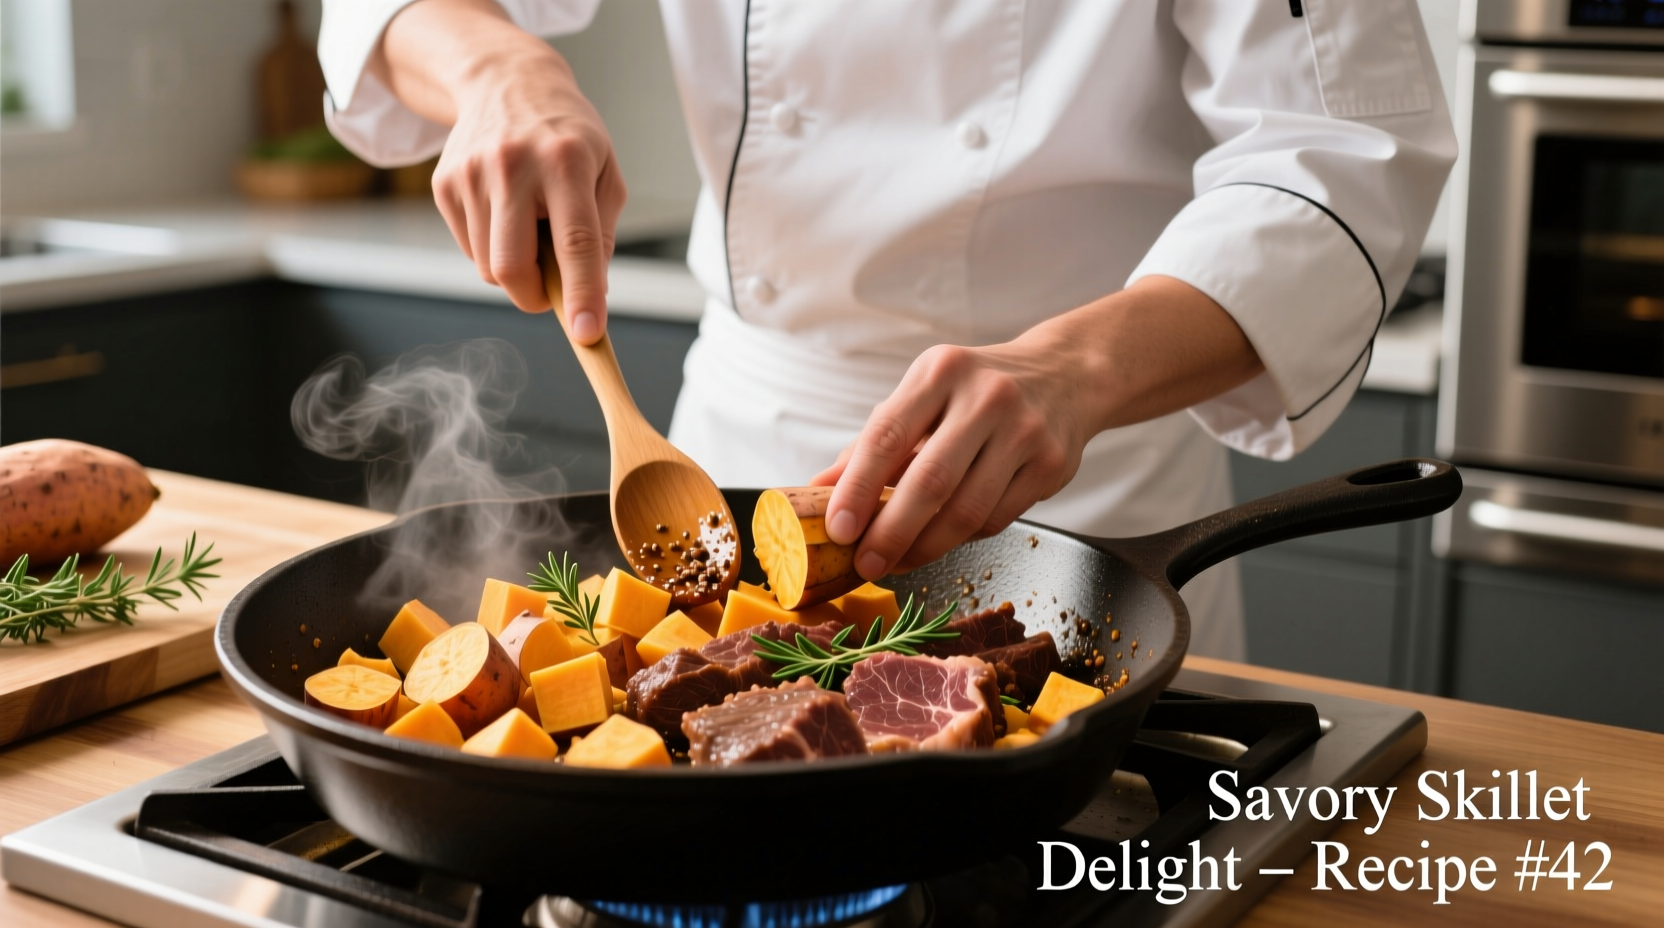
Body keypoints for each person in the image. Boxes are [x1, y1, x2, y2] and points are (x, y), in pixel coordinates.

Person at [318, 0, 1455, 660]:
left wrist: (1076, 369)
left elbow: (1344, 158)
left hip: (1079, 503)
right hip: (738, 450)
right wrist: (496, 65)